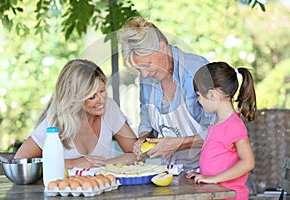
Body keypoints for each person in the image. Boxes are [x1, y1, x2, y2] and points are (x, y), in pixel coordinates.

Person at [117, 16, 216, 172]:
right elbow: (147, 123)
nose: (144, 74)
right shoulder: (146, 79)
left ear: (162, 48)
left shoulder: (197, 69)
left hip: (210, 170)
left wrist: (179, 143)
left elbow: (221, 131)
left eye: (147, 64)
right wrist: (142, 141)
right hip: (172, 172)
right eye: (138, 69)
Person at [15, 59, 138, 169]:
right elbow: (20, 163)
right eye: (92, 96)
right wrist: (72, 163)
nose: (101, 100)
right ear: (75, 99)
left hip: (102, 188)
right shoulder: (56, 121)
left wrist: (102, 165)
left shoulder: (109, 108)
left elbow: (137, 155)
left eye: (102, 90)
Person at [186, 62, 256, 200]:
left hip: (230, 196)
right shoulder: (218, 123)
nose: (199, 100)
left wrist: (214, 179)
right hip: (216, 194)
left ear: (212, 95)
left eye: (199, 95)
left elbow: (248, 162)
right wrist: (204, 175)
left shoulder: (233, 125)